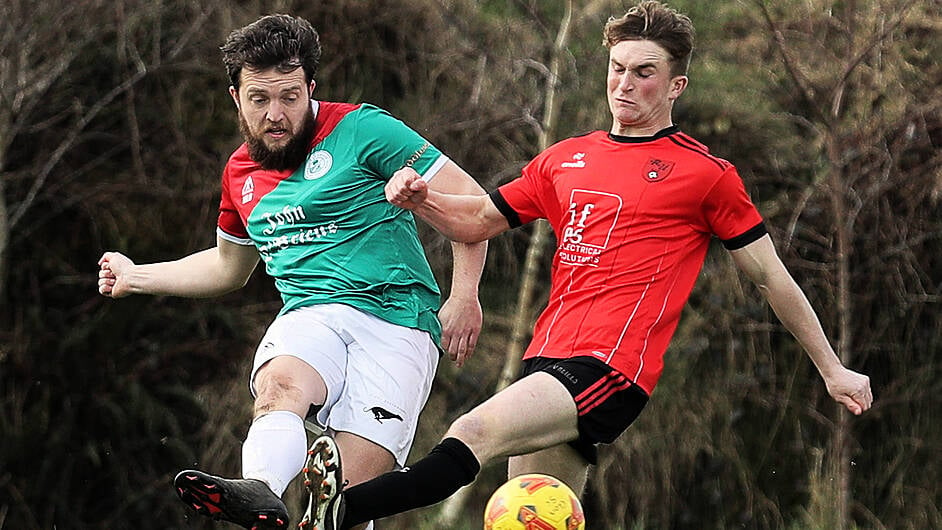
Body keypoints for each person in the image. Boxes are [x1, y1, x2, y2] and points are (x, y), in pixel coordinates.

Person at [299, 2, 875, 529]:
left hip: (609, 369)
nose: (625, 84)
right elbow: (476, 220)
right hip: (546, 360)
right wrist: (422, 198)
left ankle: (337, 511)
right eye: (618, 68)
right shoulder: (567, 157)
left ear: (677, 86)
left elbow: (770, 276)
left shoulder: (705, 175)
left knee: (471, 431)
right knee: (529, 516)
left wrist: (832, 369)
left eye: (643, 72)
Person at [96, 14, 487, 530]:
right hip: (310, 314)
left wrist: (464, 295)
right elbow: (228, 267)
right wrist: (137, 276)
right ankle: (260, 491)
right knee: (279, 388)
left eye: (290, 96)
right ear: (236, 98)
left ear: (311, 88)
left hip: (399, 321)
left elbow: (472, 201)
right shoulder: (240, 172)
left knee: (348, 498)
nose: (276, 114)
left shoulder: (362, 128)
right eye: (260, 99)